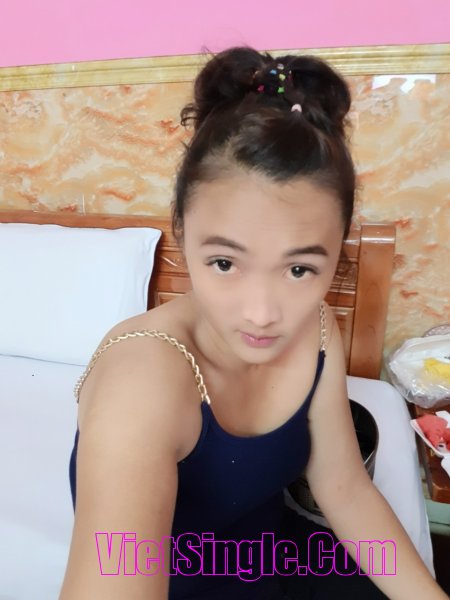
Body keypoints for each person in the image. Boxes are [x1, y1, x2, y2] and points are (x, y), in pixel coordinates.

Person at [59, 46, 448, 599]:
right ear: (182, 232)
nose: (262, 314)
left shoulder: (316, 326)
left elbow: (344, 487)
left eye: (299, 269)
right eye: (224, 263)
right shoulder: (141, 382)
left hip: (279, 559)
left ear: (337, 251)